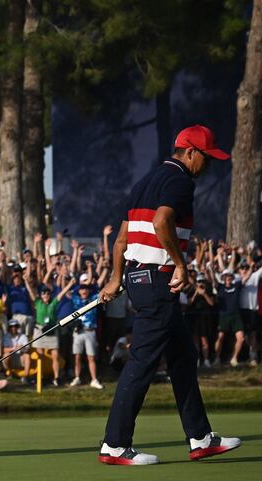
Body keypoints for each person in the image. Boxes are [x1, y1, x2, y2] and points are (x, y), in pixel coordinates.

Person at [98, 125, 241, 465]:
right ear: (190, 152)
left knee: (183, 356)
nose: (207, 165)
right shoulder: (179, 182)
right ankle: (114, 445)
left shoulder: (144, 182)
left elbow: (121, 240)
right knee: (143, 360)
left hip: (138, 277)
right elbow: (163, 222)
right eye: (206, 158)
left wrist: (116, 278)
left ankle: (200, 437)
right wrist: (182, 265)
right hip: (157, 281)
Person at [69, 278, 104, 390]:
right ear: (78, 291)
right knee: (77, 357)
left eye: (86, 289)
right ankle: (77, 377)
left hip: (90, 332)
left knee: (91, 357)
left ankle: (94, 380)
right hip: (78, 332)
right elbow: (70, 291)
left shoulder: (94, 299)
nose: (84, 291)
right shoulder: (75, 300)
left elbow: (98, 289)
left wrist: (89, 284)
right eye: (82, 289)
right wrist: (80, 285)